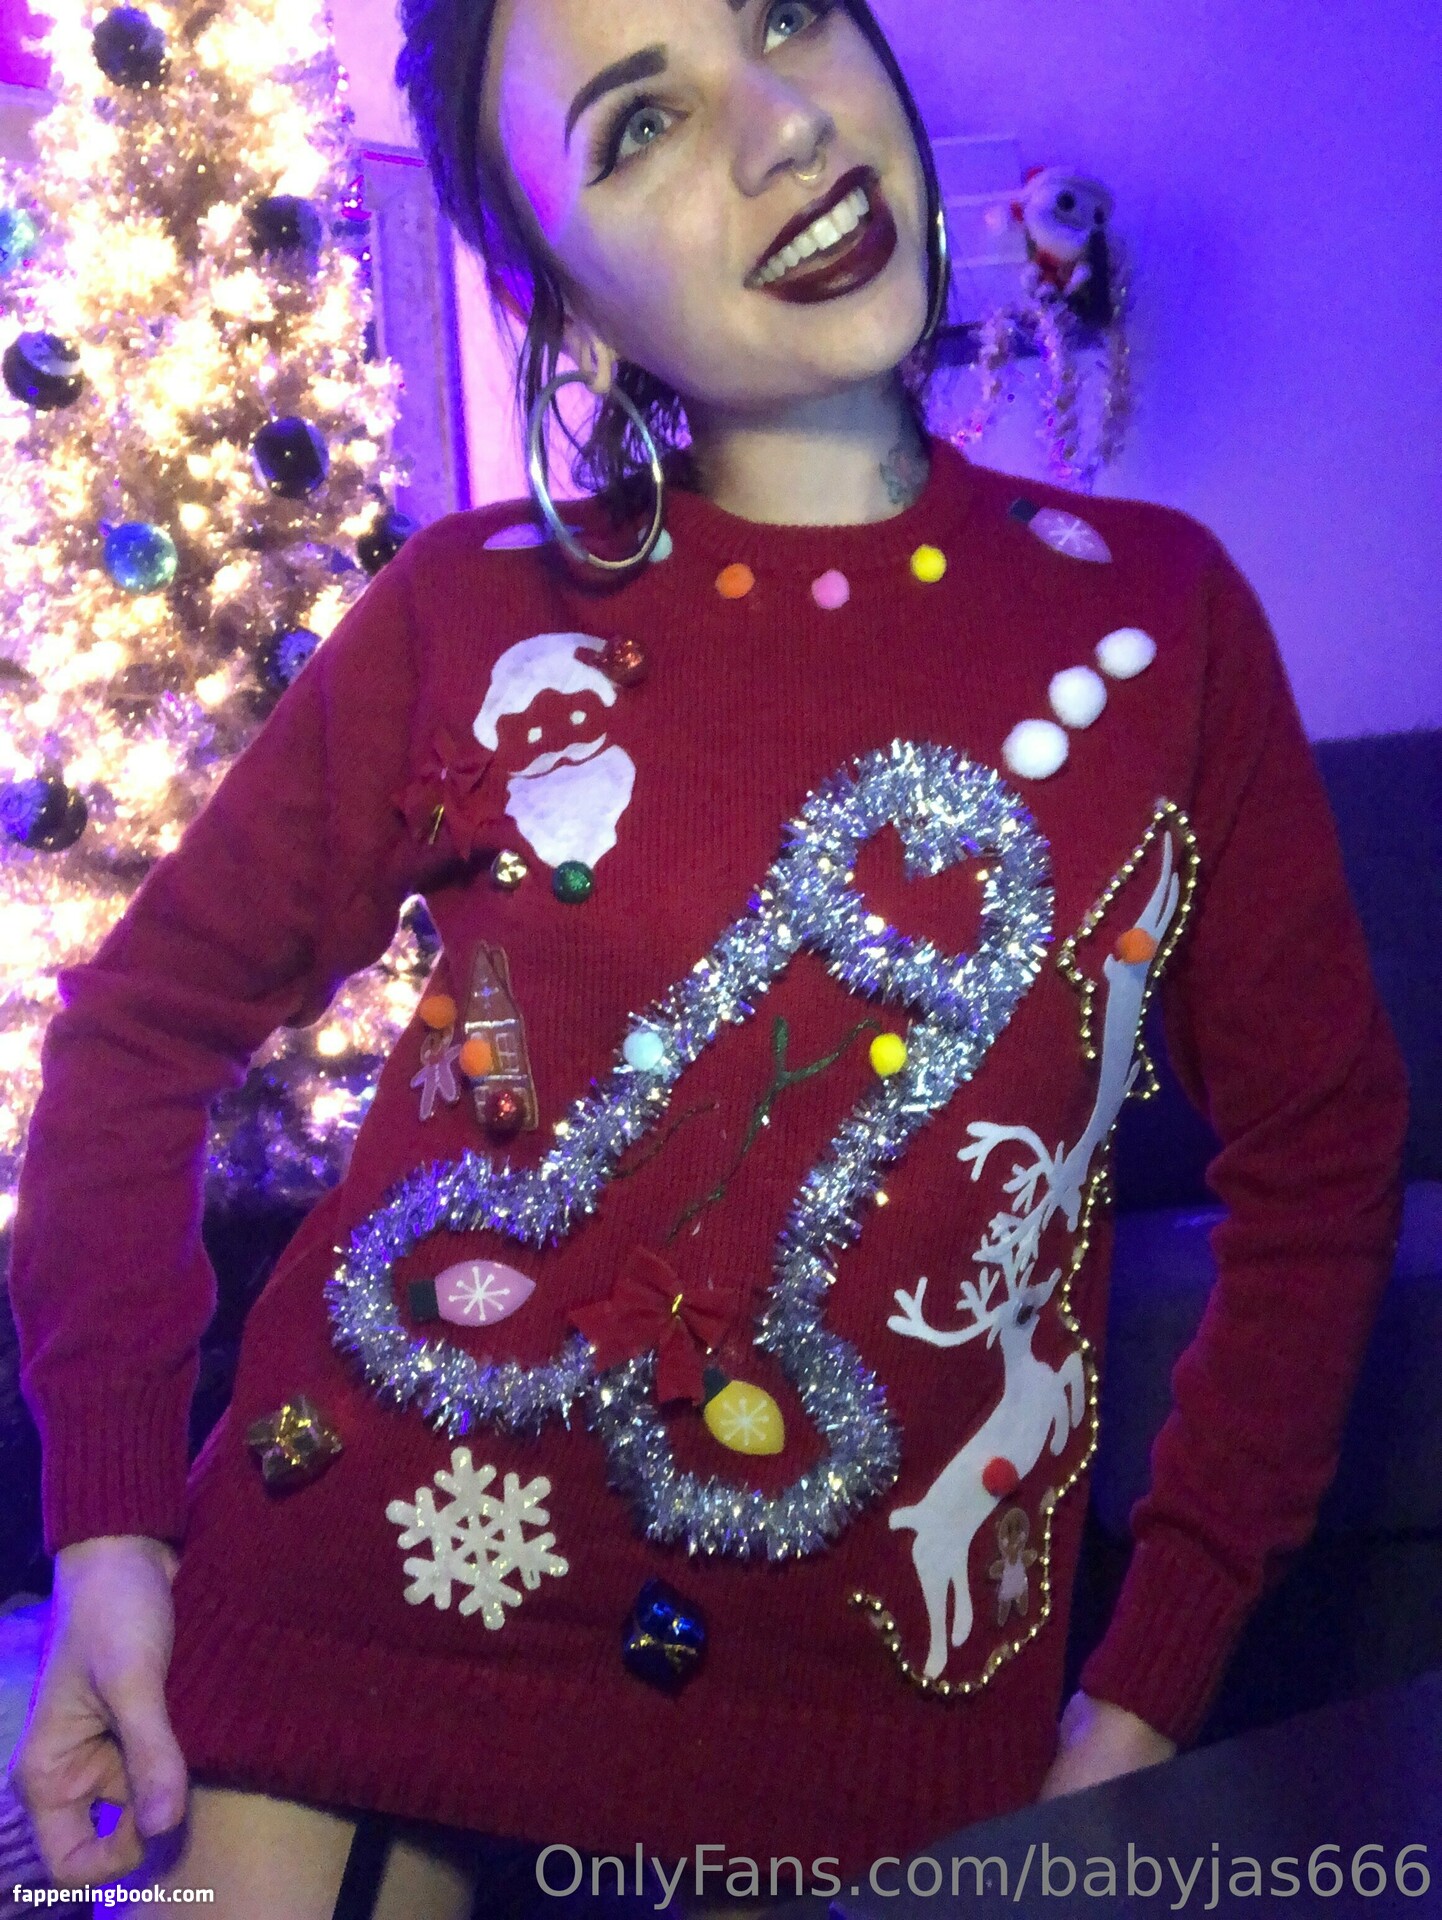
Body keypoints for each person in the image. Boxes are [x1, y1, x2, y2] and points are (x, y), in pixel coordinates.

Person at [5, 1, 1409, 1916]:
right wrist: (105, 1529)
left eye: (782, 16)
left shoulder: (1162, 622)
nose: (779, 131)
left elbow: (1322, 1160)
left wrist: (1149, 1688)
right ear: (558, 295)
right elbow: (135, 1032)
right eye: (636, 127)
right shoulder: (466, 613)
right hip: (344, 1627)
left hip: (876, 1733)